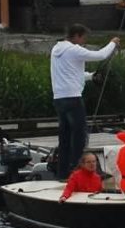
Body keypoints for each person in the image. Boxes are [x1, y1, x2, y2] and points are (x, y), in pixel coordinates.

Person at [50, 25, 119, 179]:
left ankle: (63, 174)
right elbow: (101, 55)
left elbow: (72, 73)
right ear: (76, 36)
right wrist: (113, 43)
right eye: (83, 38)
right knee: (79, 138)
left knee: (65, 137)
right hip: (73, 98)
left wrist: (91, 76)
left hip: (59, 99)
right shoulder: (73, 49)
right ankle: (78, 173)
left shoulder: (56, 50)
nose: (84, 42)